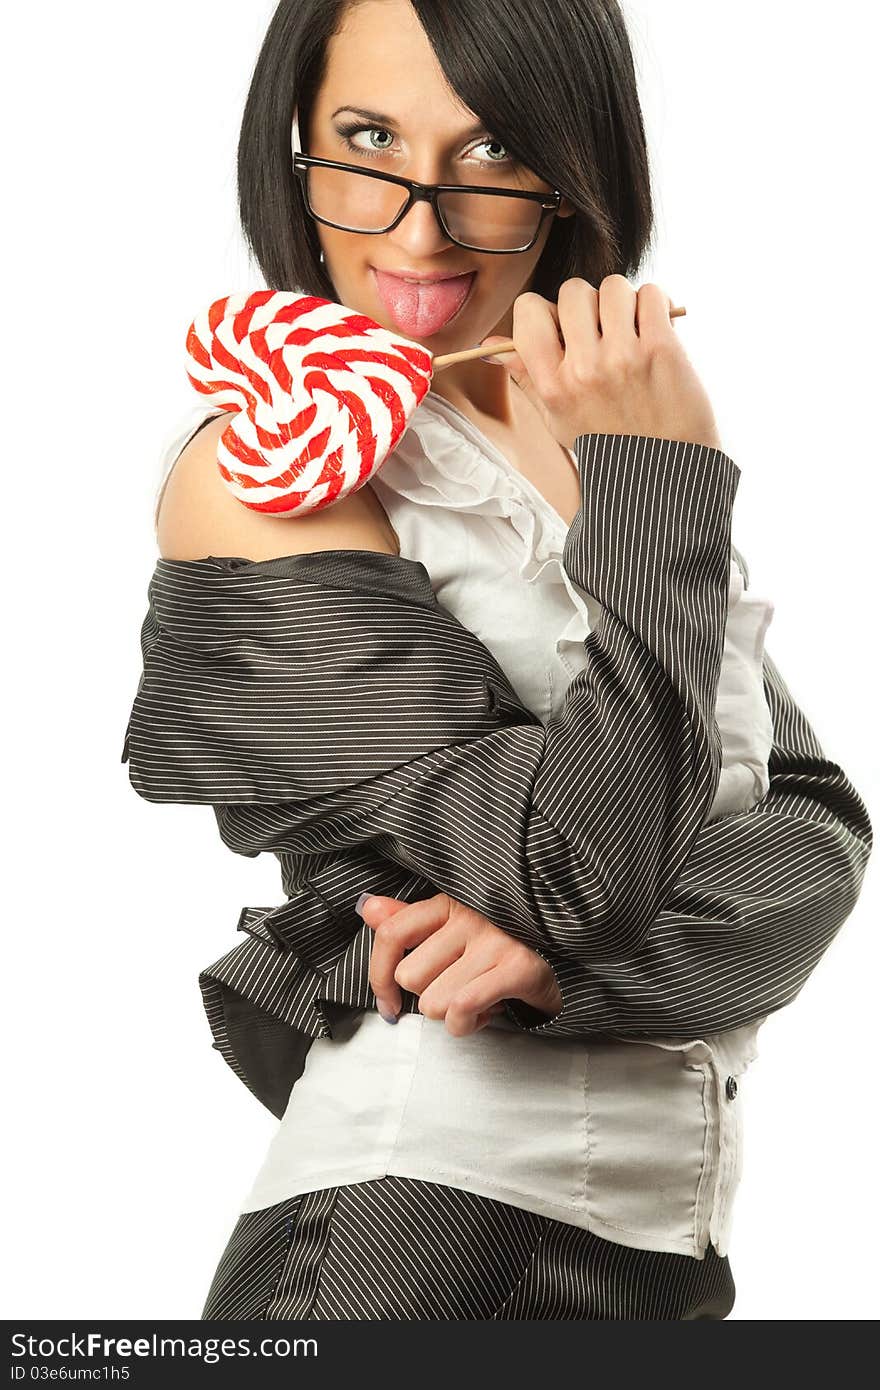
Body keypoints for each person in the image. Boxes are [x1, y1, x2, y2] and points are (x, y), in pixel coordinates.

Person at [124, 0, 872, 1319]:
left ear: (572, 163)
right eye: (366, 139)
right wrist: (662, 487)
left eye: (491, 151)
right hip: (411, 1231)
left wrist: (571, 967)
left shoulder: (584, 428)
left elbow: (809, 830)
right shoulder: (263, 483)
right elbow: (568, 865)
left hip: (672, 1255)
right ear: (294, 138)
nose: (421, 227)